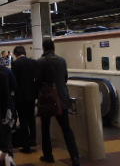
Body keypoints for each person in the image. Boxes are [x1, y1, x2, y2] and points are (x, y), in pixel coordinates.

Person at [36, 38, 80, 166]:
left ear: (44, 48)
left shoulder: (40, 62)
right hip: (62, 99)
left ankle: (48, 156)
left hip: (47, 99)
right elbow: (65, 78)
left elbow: (38, 81)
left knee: (45, 129)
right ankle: (75, 157)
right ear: (53, 48)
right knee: (66, 129)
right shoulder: (62, 61)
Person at [12, 45, 37, 153]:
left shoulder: (15, 64)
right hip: (31, 96)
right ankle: (33, 141)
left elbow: (14, 81)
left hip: (20, 97)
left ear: (15, 54)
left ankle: (26, 146)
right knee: (31, 118)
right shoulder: (33, 62)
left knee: (23, 120)